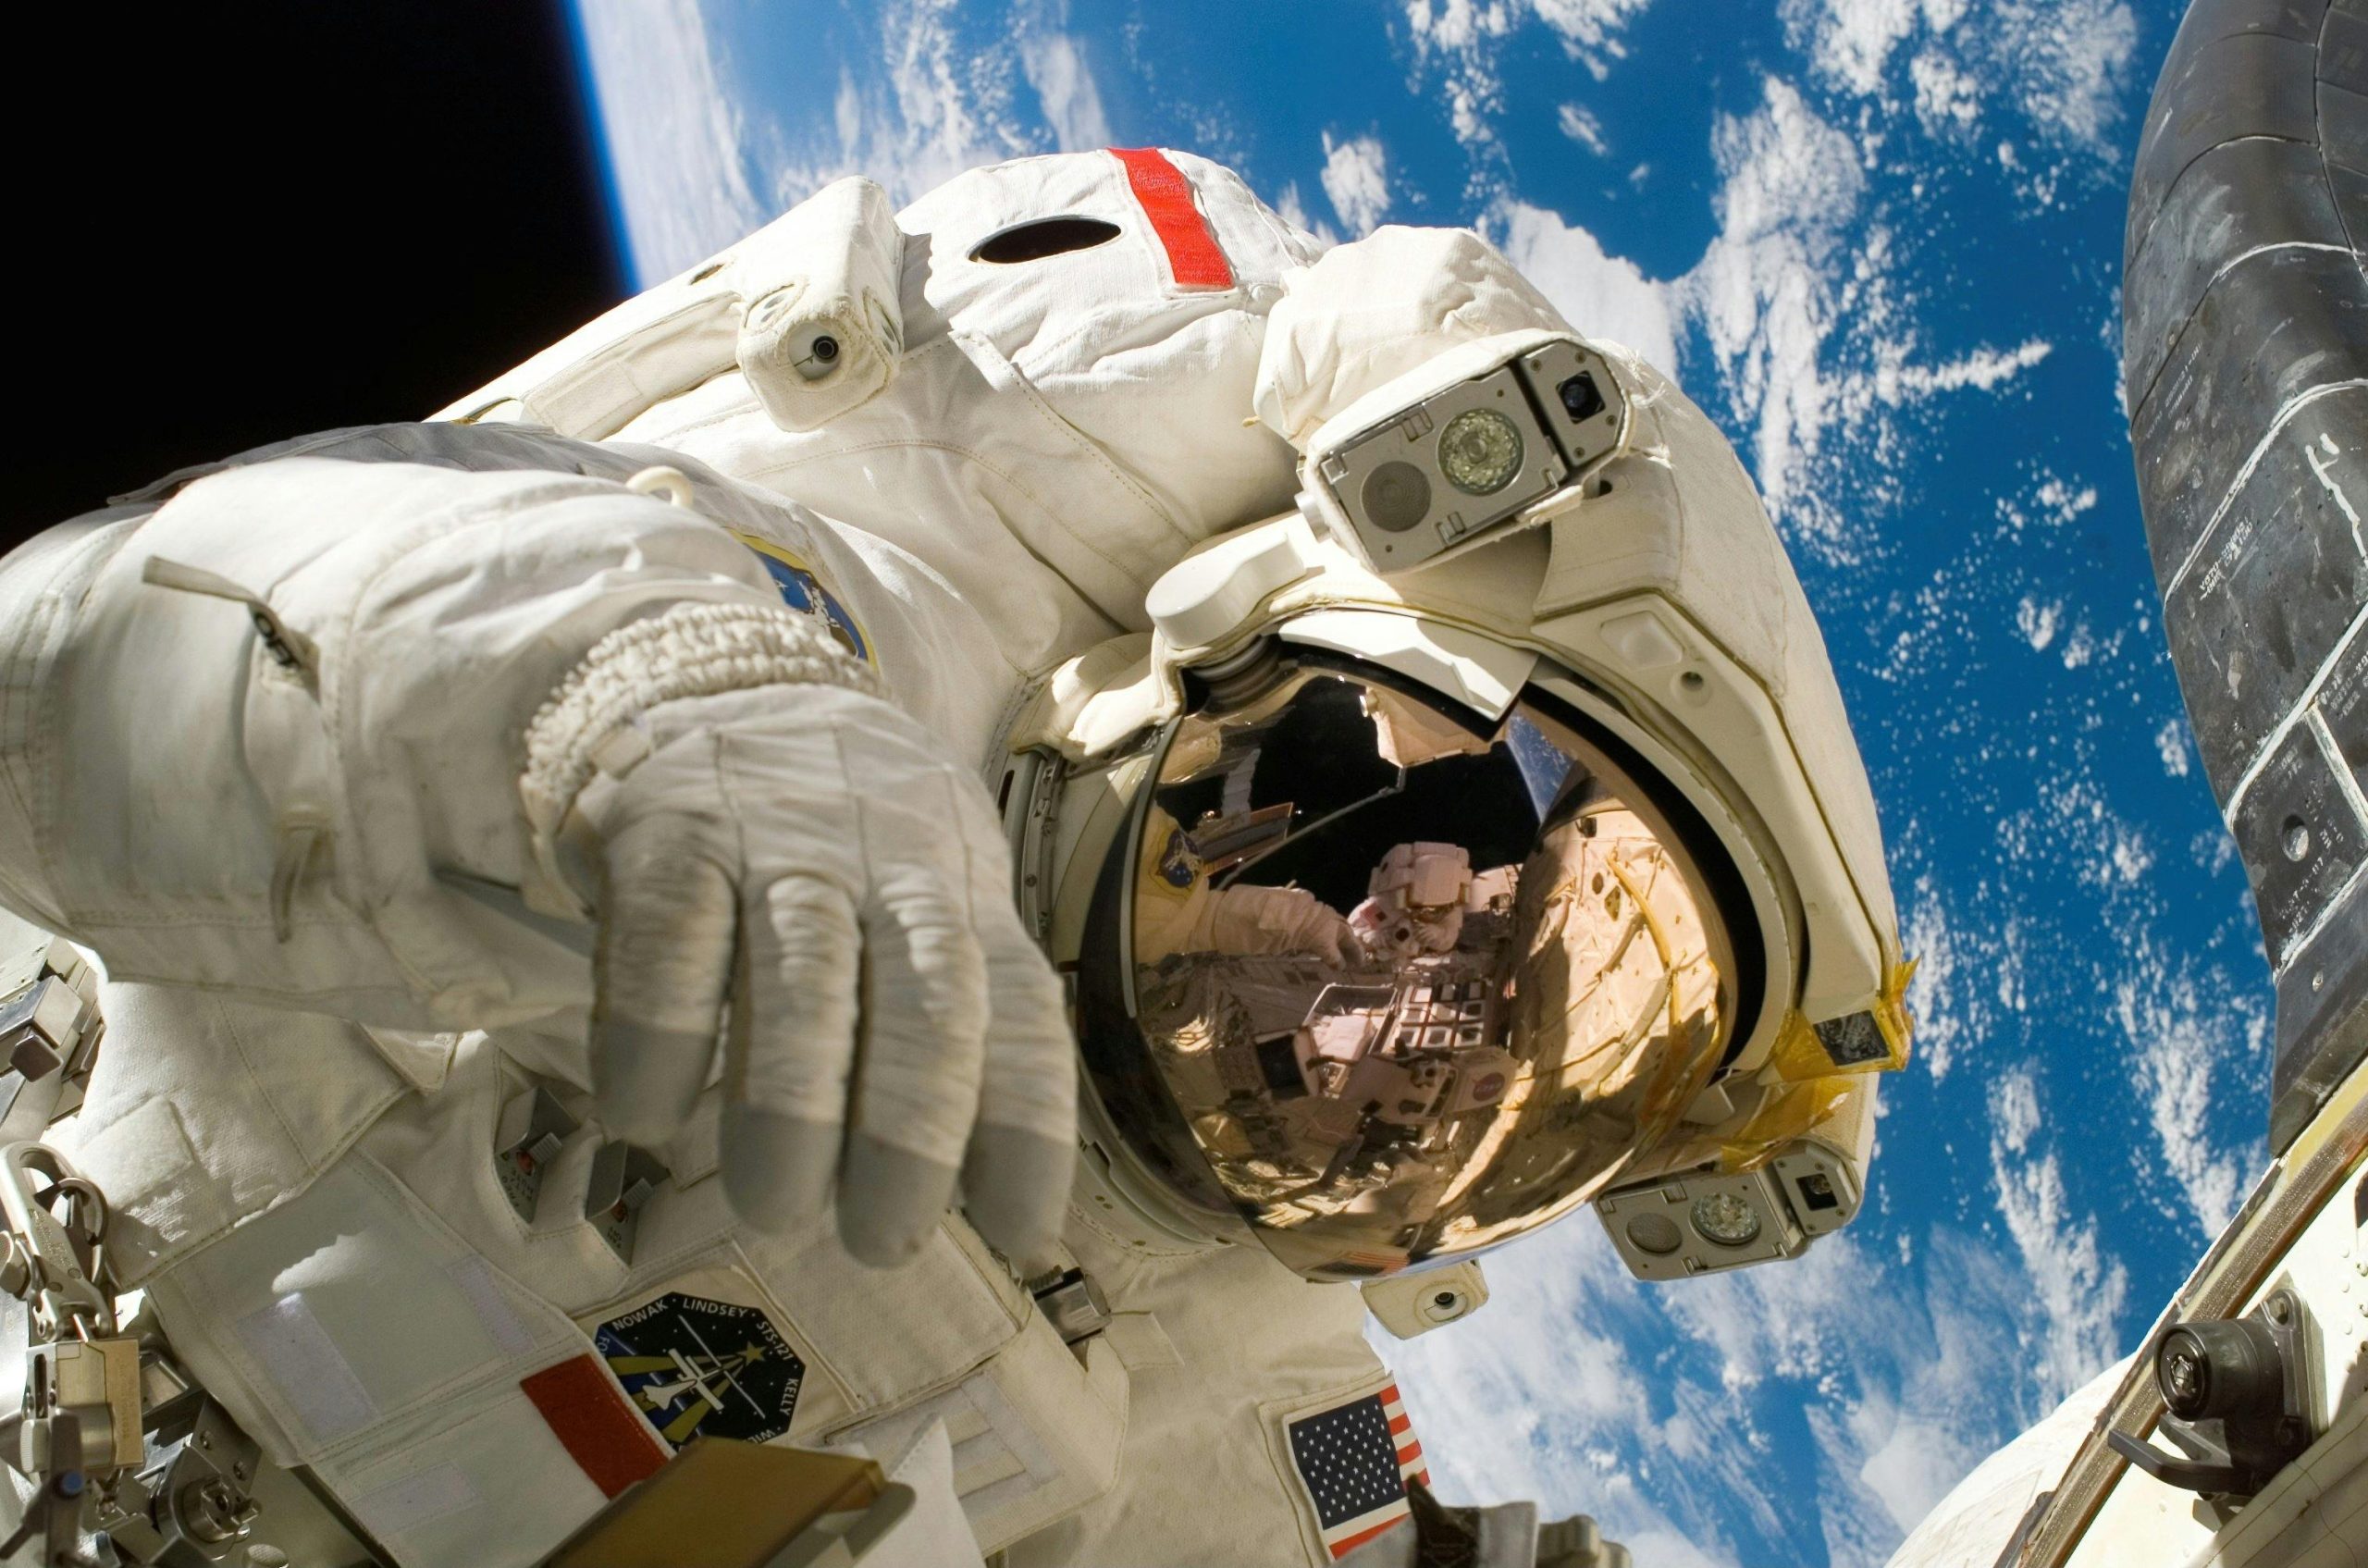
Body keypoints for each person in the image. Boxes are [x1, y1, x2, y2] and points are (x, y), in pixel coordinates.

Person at [0, 148, 1906, 1566]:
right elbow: (197, 638)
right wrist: (618, 702)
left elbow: (1302, 1520)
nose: (1383, 1025)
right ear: (1226, 662)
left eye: (1519, 1074)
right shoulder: (838, 678)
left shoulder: (1248, 1370)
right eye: (1402, 869)